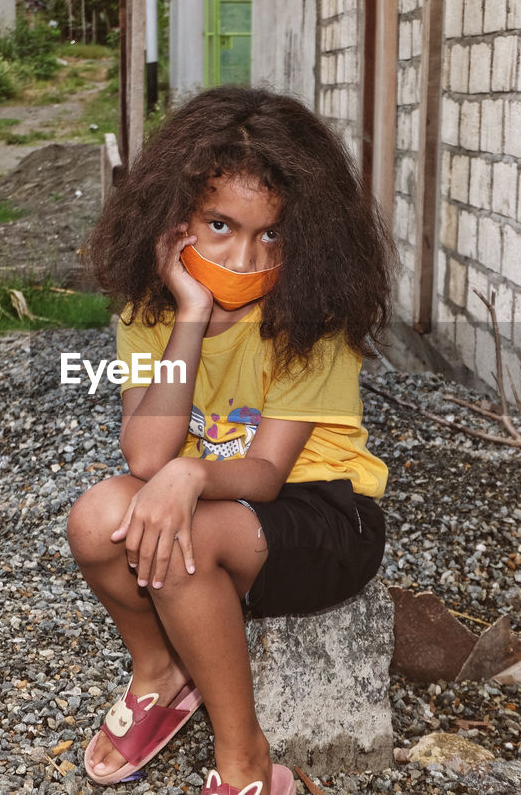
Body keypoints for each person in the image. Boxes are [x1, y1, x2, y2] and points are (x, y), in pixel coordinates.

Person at [67, 86, 393, 795]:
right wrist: (190, 312)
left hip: (327, 513)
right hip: (220, 505)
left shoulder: (313, 315)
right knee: (95, 518)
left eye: (270, 233)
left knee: (180, 542)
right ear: (173, 218)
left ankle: (246, 759)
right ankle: (162, 672)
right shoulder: (151, 309)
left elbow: (269, 473)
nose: (245, 257)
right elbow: (148, 457)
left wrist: (190, 479)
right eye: (220, 224)